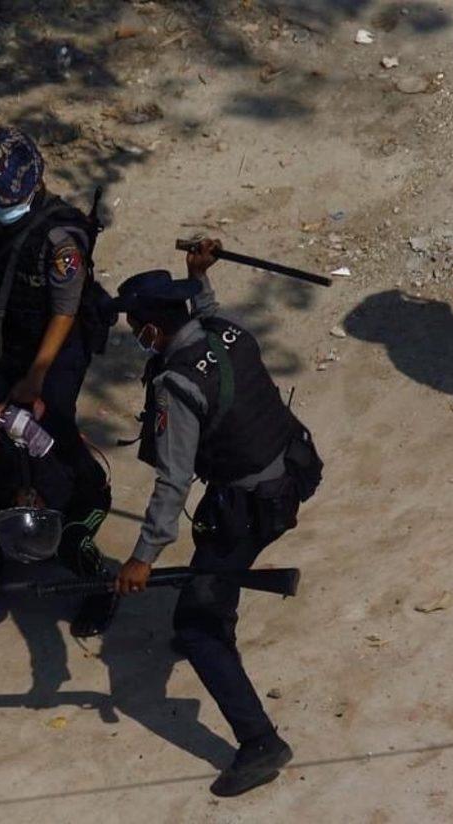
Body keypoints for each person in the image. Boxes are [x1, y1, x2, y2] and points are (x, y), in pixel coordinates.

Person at [106, 239, 323, 797]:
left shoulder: (177, 385)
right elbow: (206, 314)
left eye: (136, 327)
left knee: (196, 626)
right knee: (213, 576)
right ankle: (218, 612)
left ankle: (260, 742)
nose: (135, 335)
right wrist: (199, 276)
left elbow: (173, 480)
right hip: (292, 472)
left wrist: (142, 558)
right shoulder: (230, 332)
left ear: (152, 328)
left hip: (249, 507)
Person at [0, 126, 107, 461]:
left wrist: (36, 376)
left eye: (6, 202)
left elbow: (64, 311)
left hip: (55, 346)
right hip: (7, 332)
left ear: (36, 182)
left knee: (47, 437)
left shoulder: (62, 242)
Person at [0, 405, 118, 638]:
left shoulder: (46, 453)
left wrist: (36, 502)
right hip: (17, 492)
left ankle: (102, 588)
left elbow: (75, 487)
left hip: (83, 500)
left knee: (71, 541)